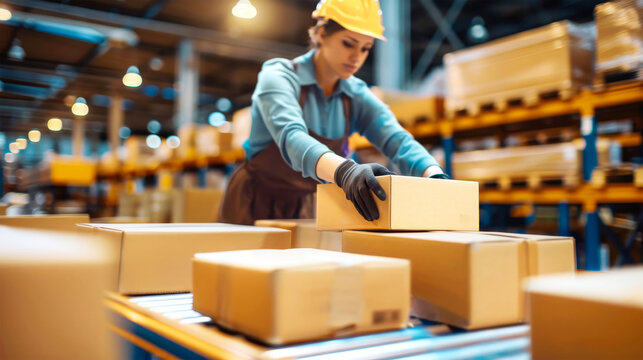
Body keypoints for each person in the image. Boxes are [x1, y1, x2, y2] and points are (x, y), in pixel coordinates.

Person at [220, 0, 446, 225]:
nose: (357, 57)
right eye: (348, 43)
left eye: (365, 48)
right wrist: (345, 172)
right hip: (252, 200)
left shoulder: (355, 95)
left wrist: (434, 175)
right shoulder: (279, 76)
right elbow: (291, 137)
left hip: (304, 205)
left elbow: (397, 139)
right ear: (321, 34)